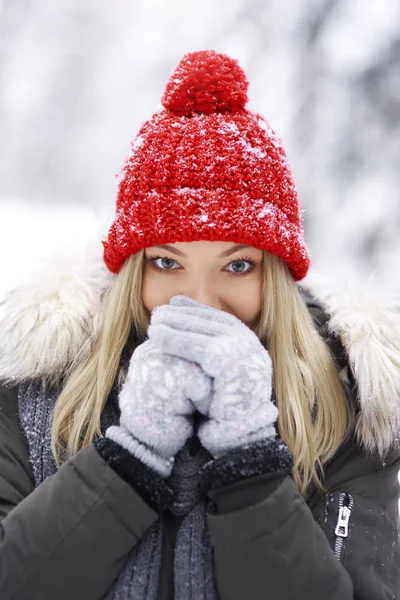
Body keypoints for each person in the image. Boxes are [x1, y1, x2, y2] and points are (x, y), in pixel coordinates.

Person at [0, 49, 399, 600]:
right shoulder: (33, 394)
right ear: (132, 274)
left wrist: (250, 459)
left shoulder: (351, 411)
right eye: (167, 262)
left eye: (238, 265)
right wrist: (130, 457)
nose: (201, 302)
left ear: (275, 279)